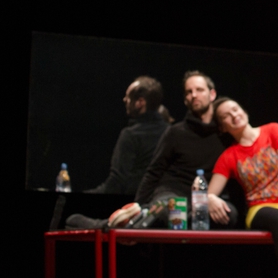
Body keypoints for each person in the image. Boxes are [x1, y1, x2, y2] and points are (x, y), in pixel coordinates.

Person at [66, 70, 238, 229]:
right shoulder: (175, 132)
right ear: (185, 99)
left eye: (199, 90)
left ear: (212, 94)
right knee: (170, 212)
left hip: (207, 198)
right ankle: (112, 224)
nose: (194, 95)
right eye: (188, 92)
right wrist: (136, 207)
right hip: (173, 195)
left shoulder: (225, 134)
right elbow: (154, 172)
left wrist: (209, 199)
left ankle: (131, 222)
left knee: (229, 215)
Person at [208, 97, 278, 278]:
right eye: (226, 116)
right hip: (260, 206)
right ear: (222, 127)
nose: (234, 115)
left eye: (235, 109)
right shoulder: (229, 155)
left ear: (243, 110)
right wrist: (211, 198)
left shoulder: (273, 130)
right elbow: (210, 193)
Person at [86, 76, 169, 195]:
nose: (124, 100)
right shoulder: (171, 132)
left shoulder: (131, 135)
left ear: (140, 102)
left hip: (133, 204)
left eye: (128, 97)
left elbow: (116, 183)